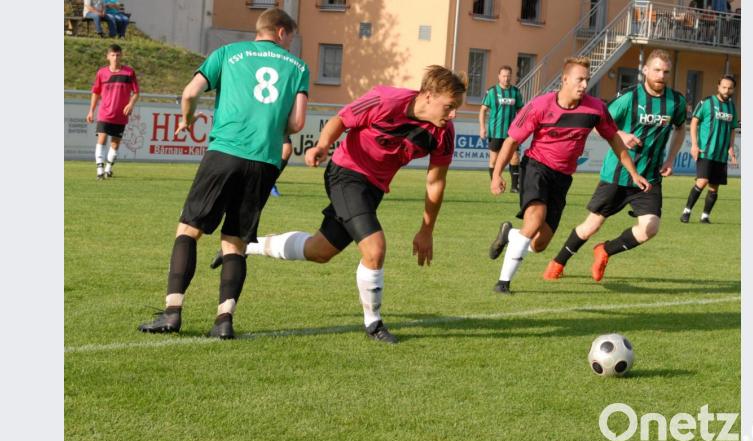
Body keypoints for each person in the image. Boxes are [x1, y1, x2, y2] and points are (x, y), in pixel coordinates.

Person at [220, 65, 466, 344]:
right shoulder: (386, 100)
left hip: (372, 190)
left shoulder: (443, 133)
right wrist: (323, 146)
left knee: (320, 250)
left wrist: (426, 230)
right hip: (346, 174)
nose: (453, 114)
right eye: (449, 106)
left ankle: (244, 245)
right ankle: (373, 323)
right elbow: (341, 119)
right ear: (429, 95)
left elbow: (435, 182)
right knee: (375, 249)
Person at [137, 8, 309, 339]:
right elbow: (298, 124)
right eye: (291, 37)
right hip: (264, 160)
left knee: (188, 229)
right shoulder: (298, 66)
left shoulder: (227, 53)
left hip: (225, 152)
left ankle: (172, 313)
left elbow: (190, 93)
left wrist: (187, 118)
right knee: (235, 242)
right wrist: (271, 125)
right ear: (282, 31)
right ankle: (224, 321)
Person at [487, 56, 650, 295]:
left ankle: (510, 235)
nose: (584, 85)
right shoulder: (540, 105)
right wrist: (496, 174)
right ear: (564, 80)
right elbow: (512, 141)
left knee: (539, 244)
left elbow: (614, 139)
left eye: (587, 79)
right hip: (536, 167)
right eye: (580, 79)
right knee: (534, 219)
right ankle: (503, 283)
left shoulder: (595, 108)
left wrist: (633, 173)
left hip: (562, 178)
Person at [543, 50, 687, 282]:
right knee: (592, 225)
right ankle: (558, 261)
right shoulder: (629, 98)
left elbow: (681, 128)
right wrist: (621, 134)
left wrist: (670, 158)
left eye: (666, 71)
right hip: (617, 175)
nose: (661, 75)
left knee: (650, 228)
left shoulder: (676, 102)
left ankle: (605, 250)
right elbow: (600, 123)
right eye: (657, 70)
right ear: (646, 70)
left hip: (649, 177)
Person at [680, 75, 739, 224]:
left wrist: (731, 147)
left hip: (720, 154)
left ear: (733, 89)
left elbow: (732, 129)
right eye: (724, 87)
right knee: (703, 181)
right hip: (706, 151)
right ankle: (686, 211)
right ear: (718, 87)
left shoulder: (732, 107)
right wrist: (694, 144)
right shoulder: (707, 103)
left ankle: (705, 216)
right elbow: (694, 122)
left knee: (714, 187)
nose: (726, 90)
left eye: (730, 88)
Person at [86, 44, 139, 179]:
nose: (115, 58)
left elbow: (136, 92)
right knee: (102, 139)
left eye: (118, 55)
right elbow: (95, 93)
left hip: (121, 115)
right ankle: (99, 170)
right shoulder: (101, 73)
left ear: (121, 56)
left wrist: (131, 104)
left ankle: (108, 168)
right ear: (108, 56)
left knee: (115, 143)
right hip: (104, 113)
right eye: (113, 55)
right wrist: (91, 111)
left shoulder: (129, 72)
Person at [479, 65, 524, 192]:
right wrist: (482, 127)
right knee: (493, 160)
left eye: (508, 76)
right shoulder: (492, 92)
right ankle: (495, 183)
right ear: (499, 76)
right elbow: (483, 110)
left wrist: (521, 126)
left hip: (512, 133)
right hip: (495, 132)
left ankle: (515, 187)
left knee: (515, 157)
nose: (506, 78)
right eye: (504, 76)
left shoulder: (515, 92)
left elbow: (520, 110)